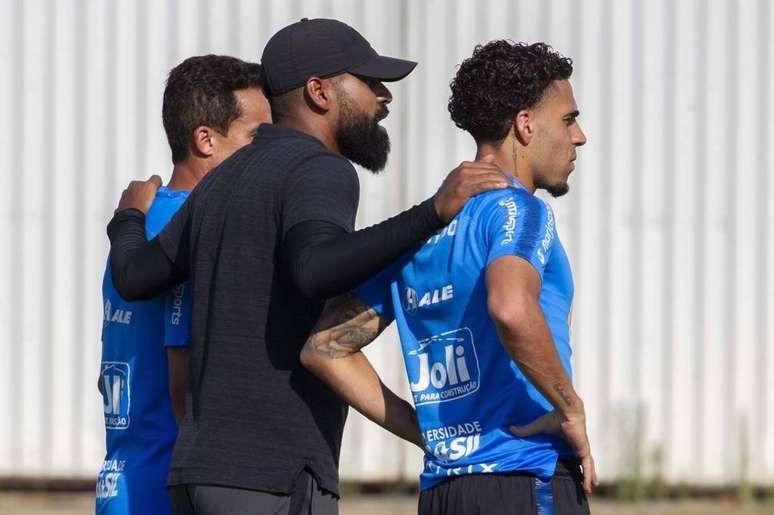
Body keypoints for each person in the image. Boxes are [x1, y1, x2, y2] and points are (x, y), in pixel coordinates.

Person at [106, 18, 508, 515]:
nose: (384, 98)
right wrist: (433, 211)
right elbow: (316, 269)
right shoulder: (319, 168)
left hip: (197, 477)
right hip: (273, 474)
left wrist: (127, 217)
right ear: (319, 92)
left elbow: (135, 276)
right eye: (369, 83)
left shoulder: (221, 180)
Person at [300, 40, 596, 515]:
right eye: (568, 119)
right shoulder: (518, 210)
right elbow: (510, 307)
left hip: (444, 490)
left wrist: (426, 432)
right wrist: (571, 410)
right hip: (525, 476)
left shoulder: (425, 231)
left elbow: (324, 349)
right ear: (525, 125)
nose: (579, 136)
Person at [96, 55, 271, 515]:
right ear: (205, 140)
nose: (268, 152)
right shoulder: (196, 226)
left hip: (123, 482)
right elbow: (183, 376)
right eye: (256, 137)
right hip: (171, 490)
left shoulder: (140, 222)